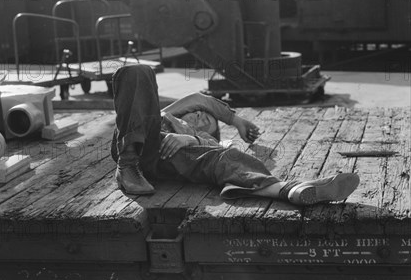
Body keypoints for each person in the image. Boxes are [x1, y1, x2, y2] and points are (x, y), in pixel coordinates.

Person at [111, 64, 360, 205]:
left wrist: (190, 137)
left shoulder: (203, 142)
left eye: (205, 122)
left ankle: (288, 190)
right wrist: (236, 120)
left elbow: (215, 152)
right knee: (138, 72)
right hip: (136, 142)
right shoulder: (164, 115)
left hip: (172, 161)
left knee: (225, 157)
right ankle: (127, 166)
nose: (199, 117)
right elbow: (199, 99)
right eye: (198, 114)